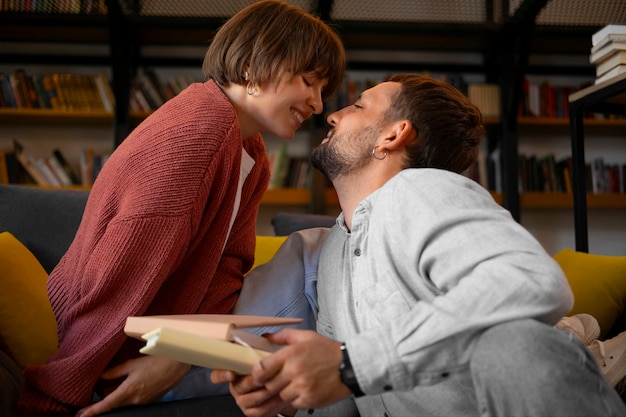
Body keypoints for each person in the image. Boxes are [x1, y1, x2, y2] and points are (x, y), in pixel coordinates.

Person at [211, 74, 626, 417]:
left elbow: (532, 281)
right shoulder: (335, 249)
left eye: (358, 106)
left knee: (515, 343)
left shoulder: (420, 190)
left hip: (528, 396)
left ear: (394, 134)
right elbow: (350, 389)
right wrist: (293, 398)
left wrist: (350, 365)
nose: (330, 114)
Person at [17, 1, 345, 416]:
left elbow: (227, 267)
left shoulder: (251, 151)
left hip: (166, 340)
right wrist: (53, 397)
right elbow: (118, 277)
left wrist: (187, 350)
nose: (317, 104)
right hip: (100, 347)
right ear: (250, 65)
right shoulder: (199, 134)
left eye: (322, 91)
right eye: (307, 81)